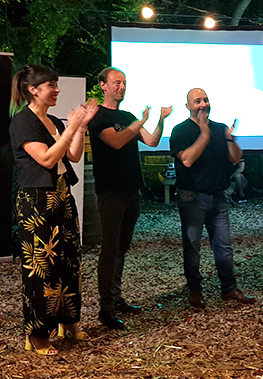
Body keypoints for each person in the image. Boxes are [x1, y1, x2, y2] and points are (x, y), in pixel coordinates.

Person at [9, 64, 98, 355]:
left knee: (69, 261)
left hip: (61, 194)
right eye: (51, 85)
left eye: (57, 84)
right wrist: (71, 128)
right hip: (36, 200)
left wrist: (80, 127)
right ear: (33, 90)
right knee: (41, 268)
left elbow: (72, 155)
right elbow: (47, 159)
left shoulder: (55, 122)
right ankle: (37, 334)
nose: (57, 90)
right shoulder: (23, 122)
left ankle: (68, 320)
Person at [88, 67, 172, 329]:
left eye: (124, 83)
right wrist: (140, 121)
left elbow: (152, 141)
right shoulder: (98, 116)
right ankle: (106, 308)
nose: (121, 87)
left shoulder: (128, 116)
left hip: (131, 190)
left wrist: (160, 120)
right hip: (110, 191)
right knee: (110, 249)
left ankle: (116, 298)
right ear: (103, 85)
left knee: (122, 248)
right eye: (116, 82)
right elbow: (116, 141)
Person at [170, 88, 257, 309]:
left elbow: (236, 158)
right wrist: (204, 134)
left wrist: (230, 139)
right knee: (193, 247)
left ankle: (229, 288)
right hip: (192, 197)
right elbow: (187, 160)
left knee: (224, 245)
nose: (203, 104)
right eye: (197, 101)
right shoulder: (180, 130)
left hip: (218, 196)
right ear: (188, 106)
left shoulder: (220, 128)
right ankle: (195, 290)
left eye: (205, 100)